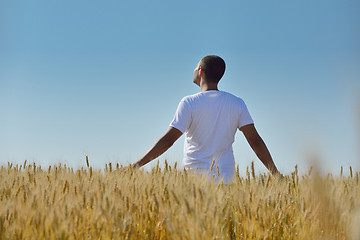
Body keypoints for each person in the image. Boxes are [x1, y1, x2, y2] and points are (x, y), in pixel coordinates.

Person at [128, 55, 280, 183]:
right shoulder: (237, 103)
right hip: (225, 180)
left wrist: (135, 166)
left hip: (194, 182)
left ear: (200, 71)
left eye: (195, 68)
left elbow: (168, 141)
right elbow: (255, 142)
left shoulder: (189, 103)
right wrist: (276, 174)